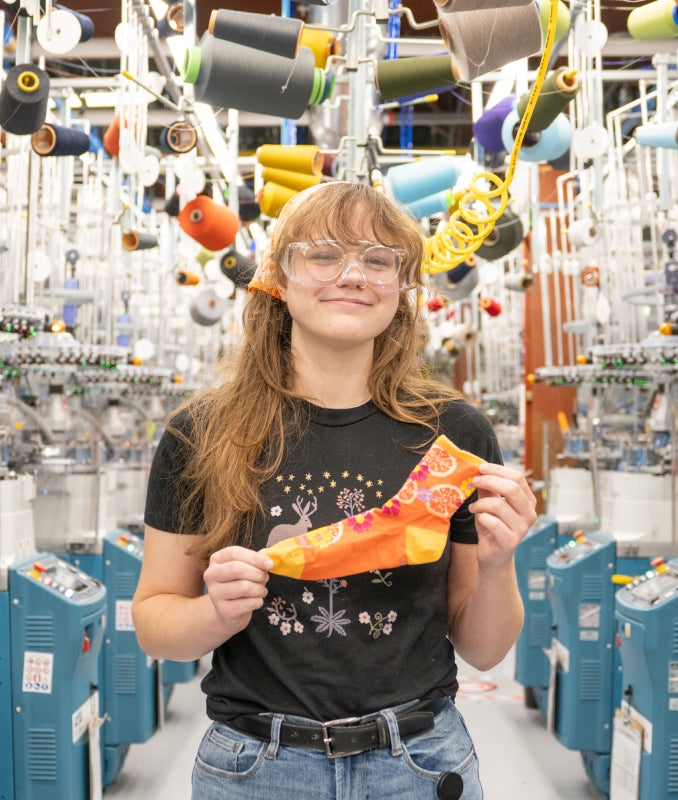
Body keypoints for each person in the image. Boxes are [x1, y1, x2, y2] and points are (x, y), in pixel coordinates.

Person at [132, 180, 537, 800]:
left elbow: (484, 650)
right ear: (278, 276)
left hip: (418, 764)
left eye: (378, 260)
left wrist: (498, 559)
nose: (353, 274)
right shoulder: (202, 433)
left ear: (401, 288)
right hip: (254, 769)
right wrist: (213, 614)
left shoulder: (453, 433)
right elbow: (155, 622)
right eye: (323, 254)